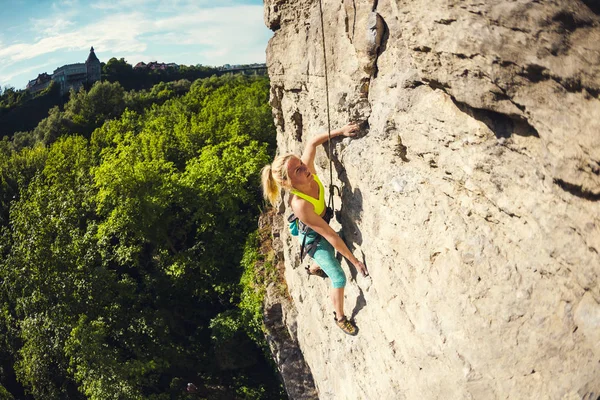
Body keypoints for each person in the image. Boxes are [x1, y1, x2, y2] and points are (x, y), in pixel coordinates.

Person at [261, 122, 368, 335]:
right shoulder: (300, 204)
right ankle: (339, 317)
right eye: (298, 170)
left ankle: (317, 268)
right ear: (287, 182)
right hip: (313, 239)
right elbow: (328, 234)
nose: (305, 169)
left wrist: (341, 132)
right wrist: (355, 262)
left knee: (333, 253)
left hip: (318, 227)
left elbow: (312, 142)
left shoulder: (306, 171)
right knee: (338, 277)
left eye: (301, 163)